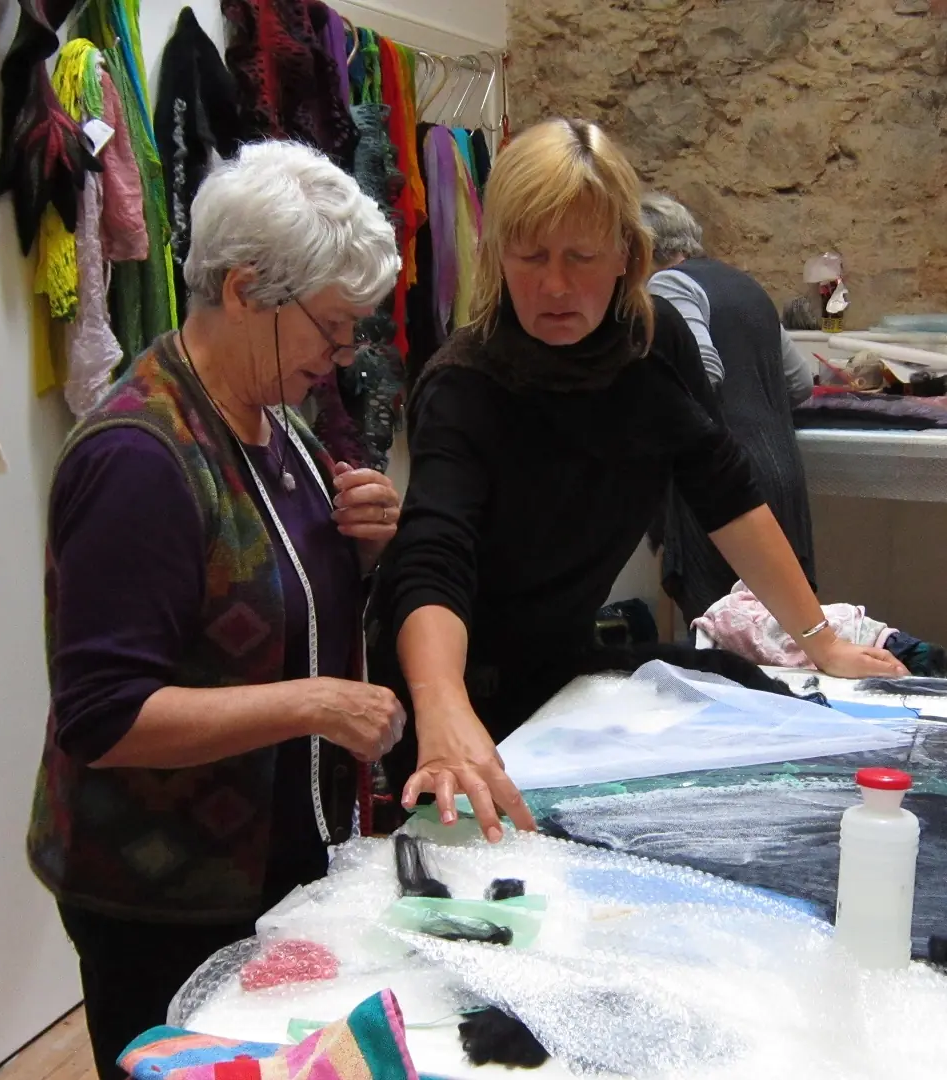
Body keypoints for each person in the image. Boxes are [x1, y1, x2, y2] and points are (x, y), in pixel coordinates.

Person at [366, 118, 908, 844]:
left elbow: (724, 491)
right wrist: (441, 710)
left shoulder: (655, 345)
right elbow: (433, 559)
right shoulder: (466, 385)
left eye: (581, 257)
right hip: (456, 698)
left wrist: (820, 642)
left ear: (627, 254)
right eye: (530, 257)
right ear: (496, 255)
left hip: (562, 673)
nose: (554, 285)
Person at [26, 140, 407, 1080]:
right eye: (331, 326)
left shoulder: (270, 422)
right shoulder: (137, 459)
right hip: (165, 898)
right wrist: (314, 704)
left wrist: (364, 543)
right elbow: (105, 718)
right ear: (245, 291)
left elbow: (285, 603)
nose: (343, 354)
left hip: (266, 873)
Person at [641, 192, 817, 624]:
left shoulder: (669, 284)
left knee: (722, 634)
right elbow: (800, 384)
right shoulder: (745, 285)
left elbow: (701, 370)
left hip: (722, 484)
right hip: (780, 476)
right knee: (778, 633)